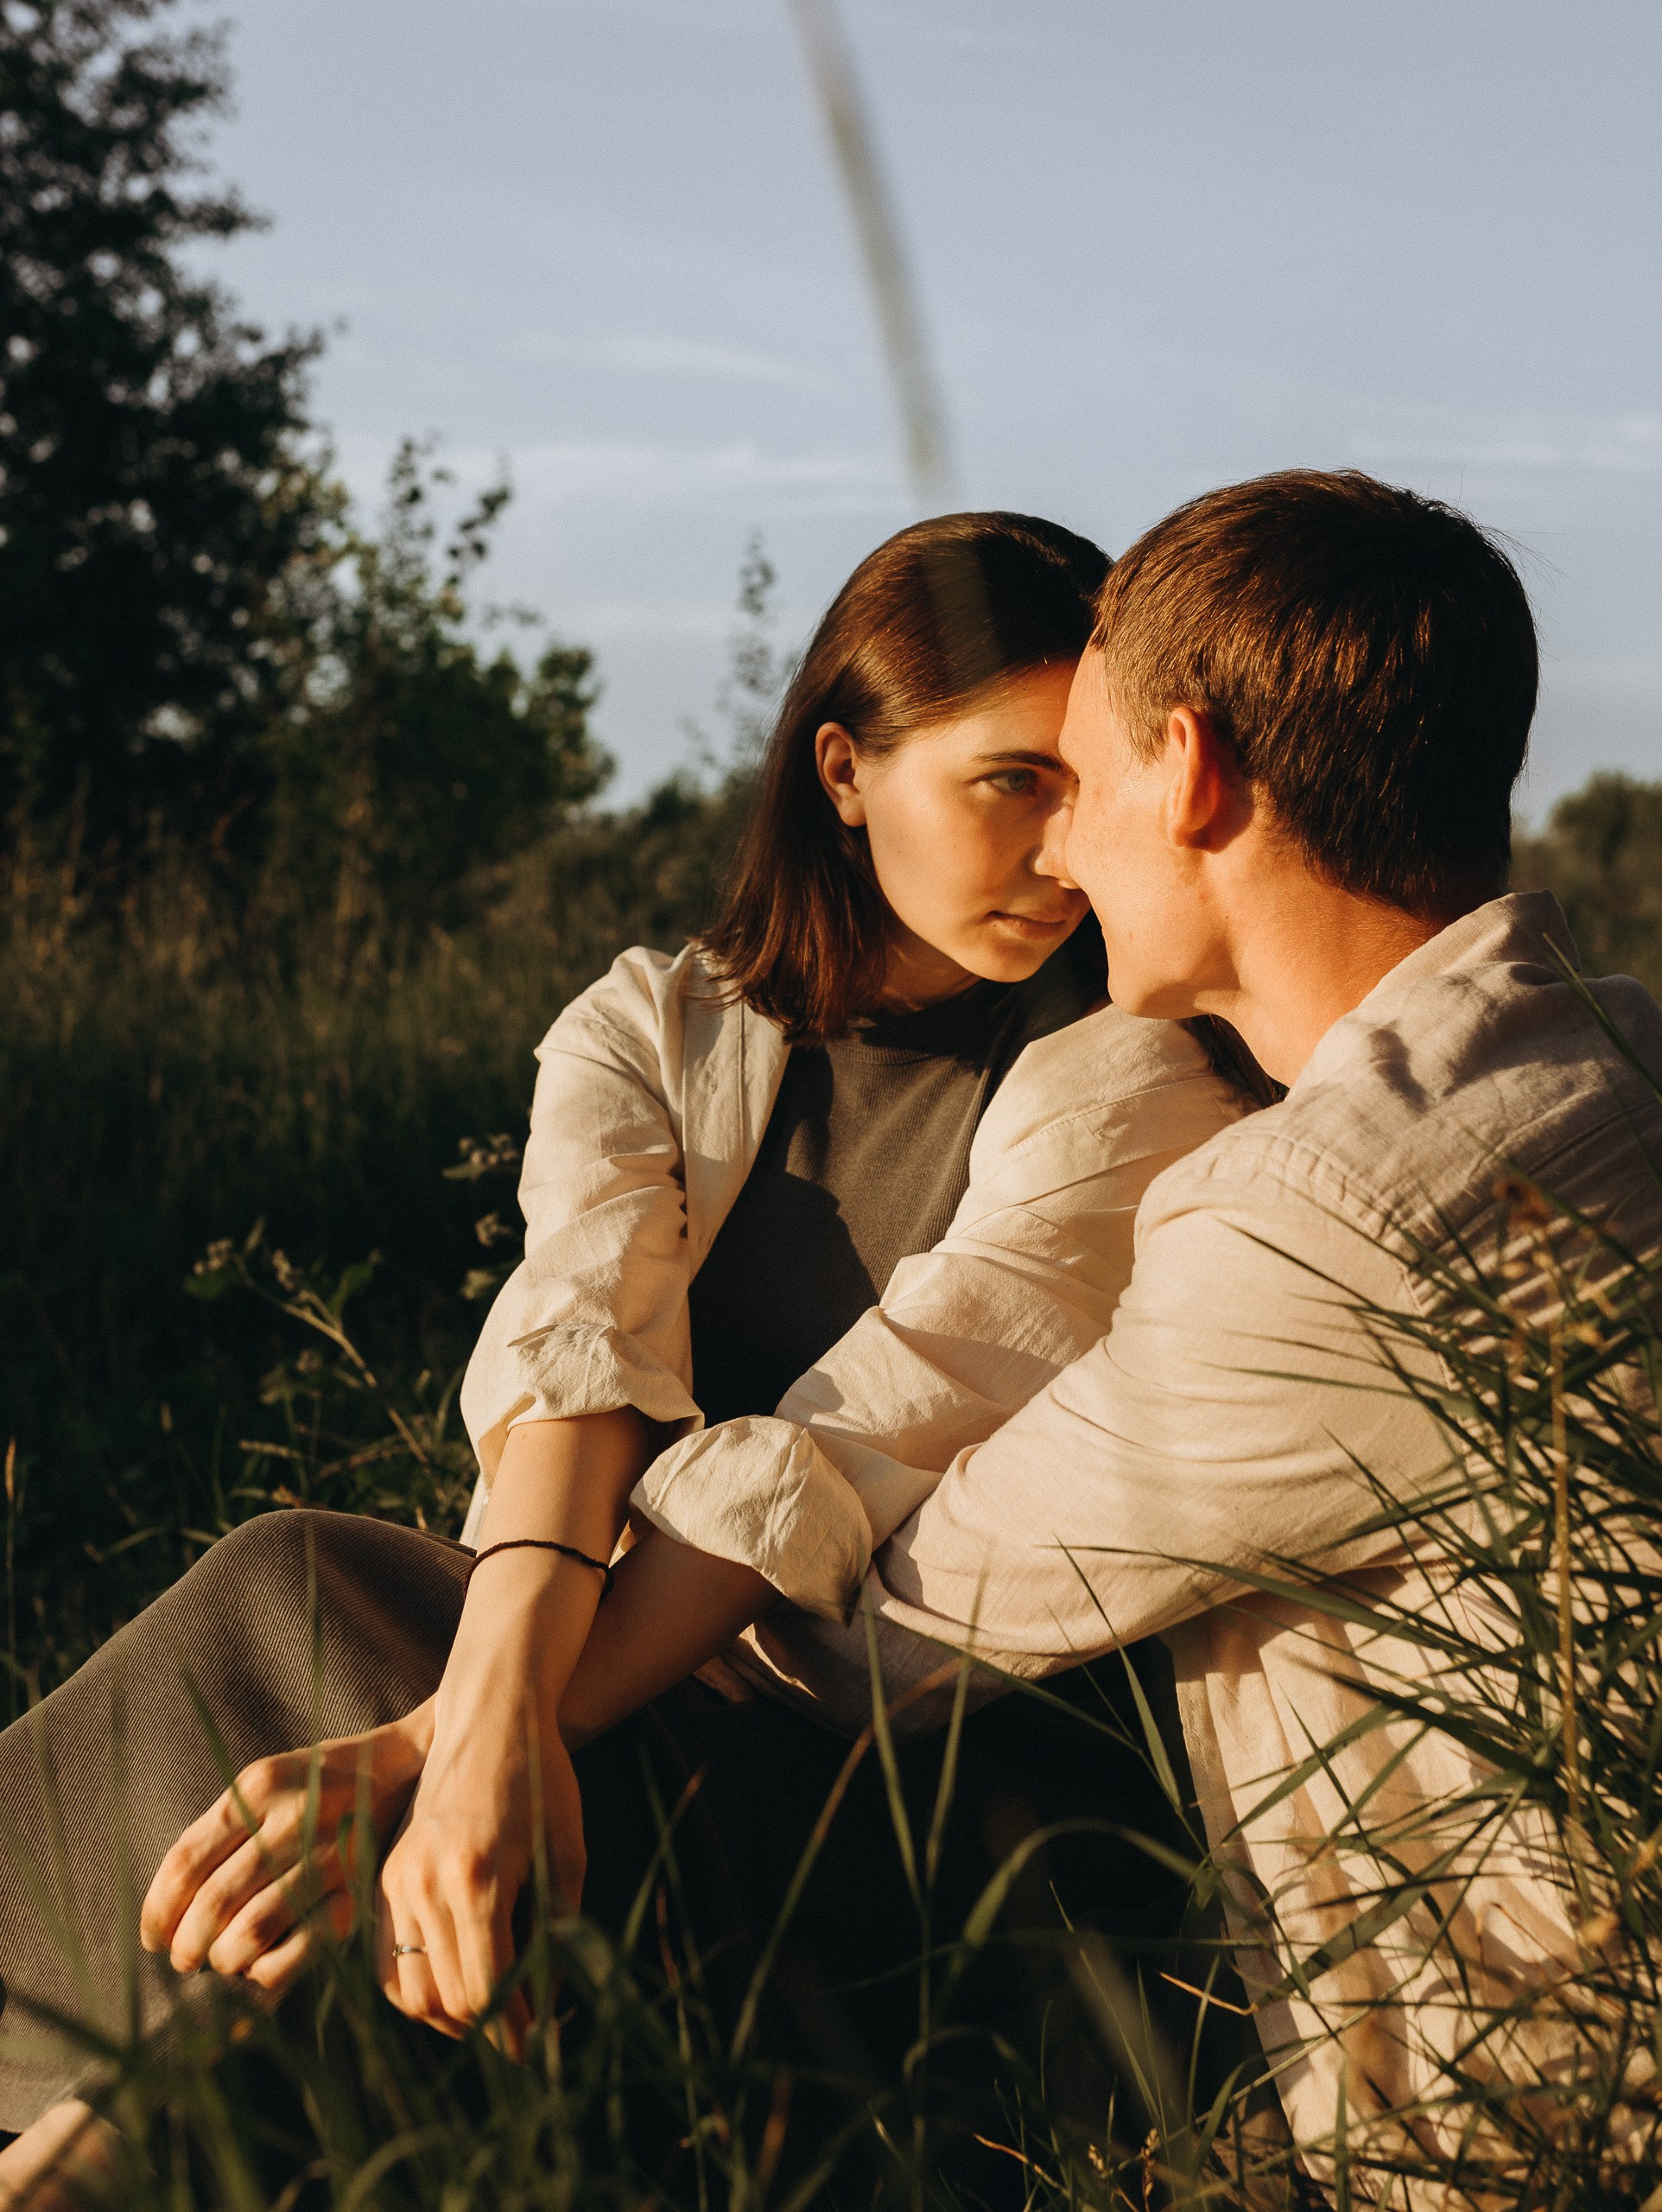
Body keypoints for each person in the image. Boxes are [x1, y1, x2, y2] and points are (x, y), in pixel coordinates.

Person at [0, 512, 1252, 2190]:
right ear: (840, 769)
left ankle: (93, 2144)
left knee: (382, 1734)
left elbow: (838, 1447)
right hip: (620, 1678)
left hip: (894, 1781)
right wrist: (484, 1718)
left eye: (1079, 783)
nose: (1058, 846)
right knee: (286, 1585)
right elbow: (578, 1352)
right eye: (1002, 780)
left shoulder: (1127, 1064)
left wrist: (451, 1740)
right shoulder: (661, 1026)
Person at [588, 469, 1662, 2183]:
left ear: (1194, 770)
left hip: (1522, 2132)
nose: (1065, 854)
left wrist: (517, 1648)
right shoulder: (1608, 1049)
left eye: (1078, 782)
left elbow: (877, 1635)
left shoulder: (1316, 1224)